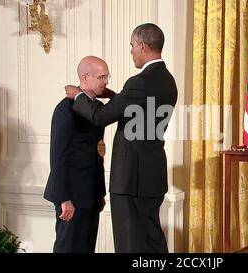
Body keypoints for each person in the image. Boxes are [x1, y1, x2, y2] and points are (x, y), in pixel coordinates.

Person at [65, 23, 177, 253]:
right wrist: (116, 97)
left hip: (130, 179)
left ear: (143, 46)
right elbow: (143, 109)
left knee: (130, 245)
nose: (132, 51)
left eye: (132, 46)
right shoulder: (168, 81)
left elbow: (100, 117)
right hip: (153, 176)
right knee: (152, 242)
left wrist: (79, 97)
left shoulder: (139, 82)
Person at [44, 56, 114, 253]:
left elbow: (97, 155)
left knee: (86, 249)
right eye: (101, 77)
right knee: (67, 248)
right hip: (71, 196)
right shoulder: (65, 109)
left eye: (107, 76)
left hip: (91, 194)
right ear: (84, 77)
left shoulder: (97, 109)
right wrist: (64, 198)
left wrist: (99, 191)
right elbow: (58, 156)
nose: (106, 81)